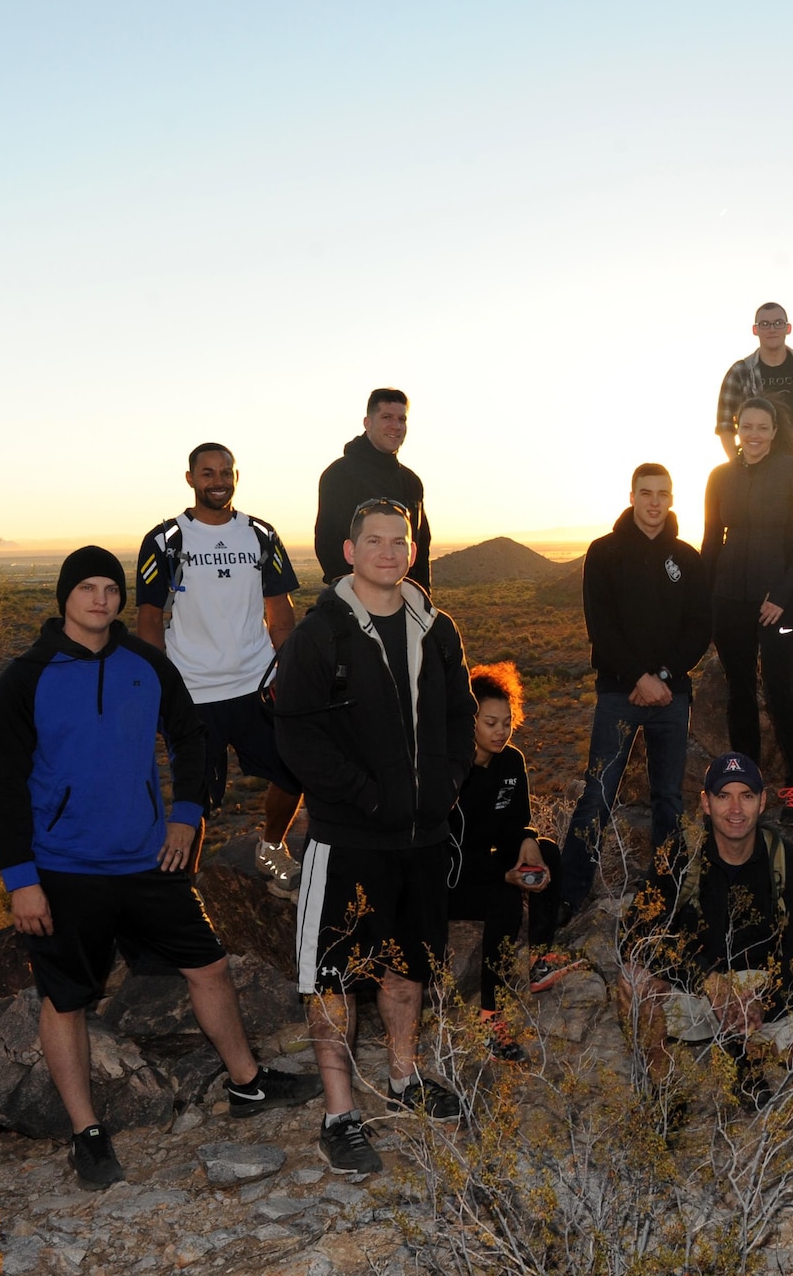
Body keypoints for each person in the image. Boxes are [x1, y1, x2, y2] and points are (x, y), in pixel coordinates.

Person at [0, 547, 321, 1190]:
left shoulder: (147, 664)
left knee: (210, 965)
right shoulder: (27, 678)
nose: (102, 600)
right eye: (88, 588)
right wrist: (21, 880)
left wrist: (185, 814)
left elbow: (191, 736)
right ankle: (86, 1133)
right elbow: (1, 785)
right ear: (65, 597)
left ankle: (247, 1084)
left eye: (112, 588)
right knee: (67, 1000)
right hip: (65, 869)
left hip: (147, 859)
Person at [272, 499, 473, 1175]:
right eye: (375, 541)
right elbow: (294, 730)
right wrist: (365, 793)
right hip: (348, 837)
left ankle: (404, 1077)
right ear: (349, 551)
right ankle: (340, 1113)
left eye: (400, 541)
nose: (389, 552)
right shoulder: (321, 632)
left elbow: (460, 713)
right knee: (331, 976)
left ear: (411, 551)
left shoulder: (436, 628)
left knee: (408, 966)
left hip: (421, 837)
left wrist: (444, 785)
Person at [135, 442, 306, 898]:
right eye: (207, 473)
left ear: (236, 476)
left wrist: (286, 677)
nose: (217, 481)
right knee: (195, 799)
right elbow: (149, 620)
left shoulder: (261, 534)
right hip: (193, 693)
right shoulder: (165, 540)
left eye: (225, 472)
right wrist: (163, 688)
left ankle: (270, 847)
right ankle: (184, 898)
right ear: (190, 479)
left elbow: (280, 613)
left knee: (295, 771)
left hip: (256, 685)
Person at [620, 752, 793, 1081]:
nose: (735, 810)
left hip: (763, 993)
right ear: (706, 803)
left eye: (747, 796)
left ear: (763, 801)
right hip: (698, 994)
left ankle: (747, 1053)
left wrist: (767, 1003)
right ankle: (664, 1086)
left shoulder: (784, 860)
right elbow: (637, 936)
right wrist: (708, 980)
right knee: (631, 978)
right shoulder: (681, 855)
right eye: (723, 796)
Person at [561, 463, 713, 913]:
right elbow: (601, 628)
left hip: (671, 697)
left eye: (662, 494)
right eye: (645, 493)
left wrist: (662, 678)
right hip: (617, 694)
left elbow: (699, 629)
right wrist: (638, 678)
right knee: (598, 795)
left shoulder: (687, 558)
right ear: (631, 496)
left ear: (671, 499)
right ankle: (568, 896)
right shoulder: (604, 552)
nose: (653, 502)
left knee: (668, 798)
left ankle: (666, 895)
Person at [702, 397, 793, 827]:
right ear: (737, 429)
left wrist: (782, 594)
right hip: (729, 599)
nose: (754, 434)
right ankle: (744, 786)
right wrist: (705, 596)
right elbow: (712, 540)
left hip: (780, 601)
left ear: (774, 431)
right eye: (746, 426)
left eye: (762, 427)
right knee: (738, 691)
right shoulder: (720, 477)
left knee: (779, 688)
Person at [448, 660, 576, 1049]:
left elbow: (518, 822)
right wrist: (503, 874)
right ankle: (491, 1014)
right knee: (504, 899)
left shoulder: (512, 761)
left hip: (487, 860)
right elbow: (448, 853)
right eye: (490, 722)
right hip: (451, 875)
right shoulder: (449, 773)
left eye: (506, 721)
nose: (500, 730)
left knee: (549, 852)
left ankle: (539, 957)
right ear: (469, 720)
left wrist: (528, 839)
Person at [715, 303, 793, 652]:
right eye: (765, 323)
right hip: (756, 469)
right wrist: (739, 468)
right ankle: (757, 617)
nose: (772, 328)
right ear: (755, 330)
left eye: (778, 323)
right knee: (759, 541)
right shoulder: (740, 372)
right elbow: (725, 425)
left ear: (788, 328)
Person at [314, 388, 432, 587]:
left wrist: (422, 599)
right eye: (386, 417)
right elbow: (328, 543)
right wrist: (354, 599)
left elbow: (421, 547)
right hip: (355, 601)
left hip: (404, 602)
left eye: (401, 419)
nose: (395, 426)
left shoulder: (411, 481)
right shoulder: (340, 475)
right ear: (367, 423)